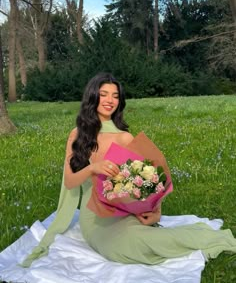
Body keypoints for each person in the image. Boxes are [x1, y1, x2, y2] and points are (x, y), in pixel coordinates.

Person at [22, 72, 236, 267]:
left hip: (122, 211)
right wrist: (93, 168)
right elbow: (70, 182)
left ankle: (214, 239)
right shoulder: (77, 134)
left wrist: (156, 214)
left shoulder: (124, 138)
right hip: (94, 217)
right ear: (93, 96)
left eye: (115, 96)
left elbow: (148, 182)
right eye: (104, 94)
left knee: (143, 239)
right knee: (121, 250)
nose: (110, 101)